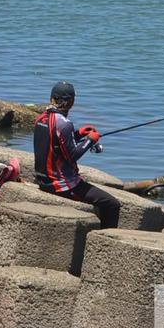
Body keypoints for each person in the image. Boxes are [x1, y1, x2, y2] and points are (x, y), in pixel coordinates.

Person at [33, 80, 120, 228]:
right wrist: (90, 141)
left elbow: (56, 144)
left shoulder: (41, 119)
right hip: (61, 185)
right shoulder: (64, 123)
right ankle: (104, 239)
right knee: (112, 204)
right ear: (70, 102)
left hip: (43, 180)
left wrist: (78, 134)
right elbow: (72, 155)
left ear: (51, 98)